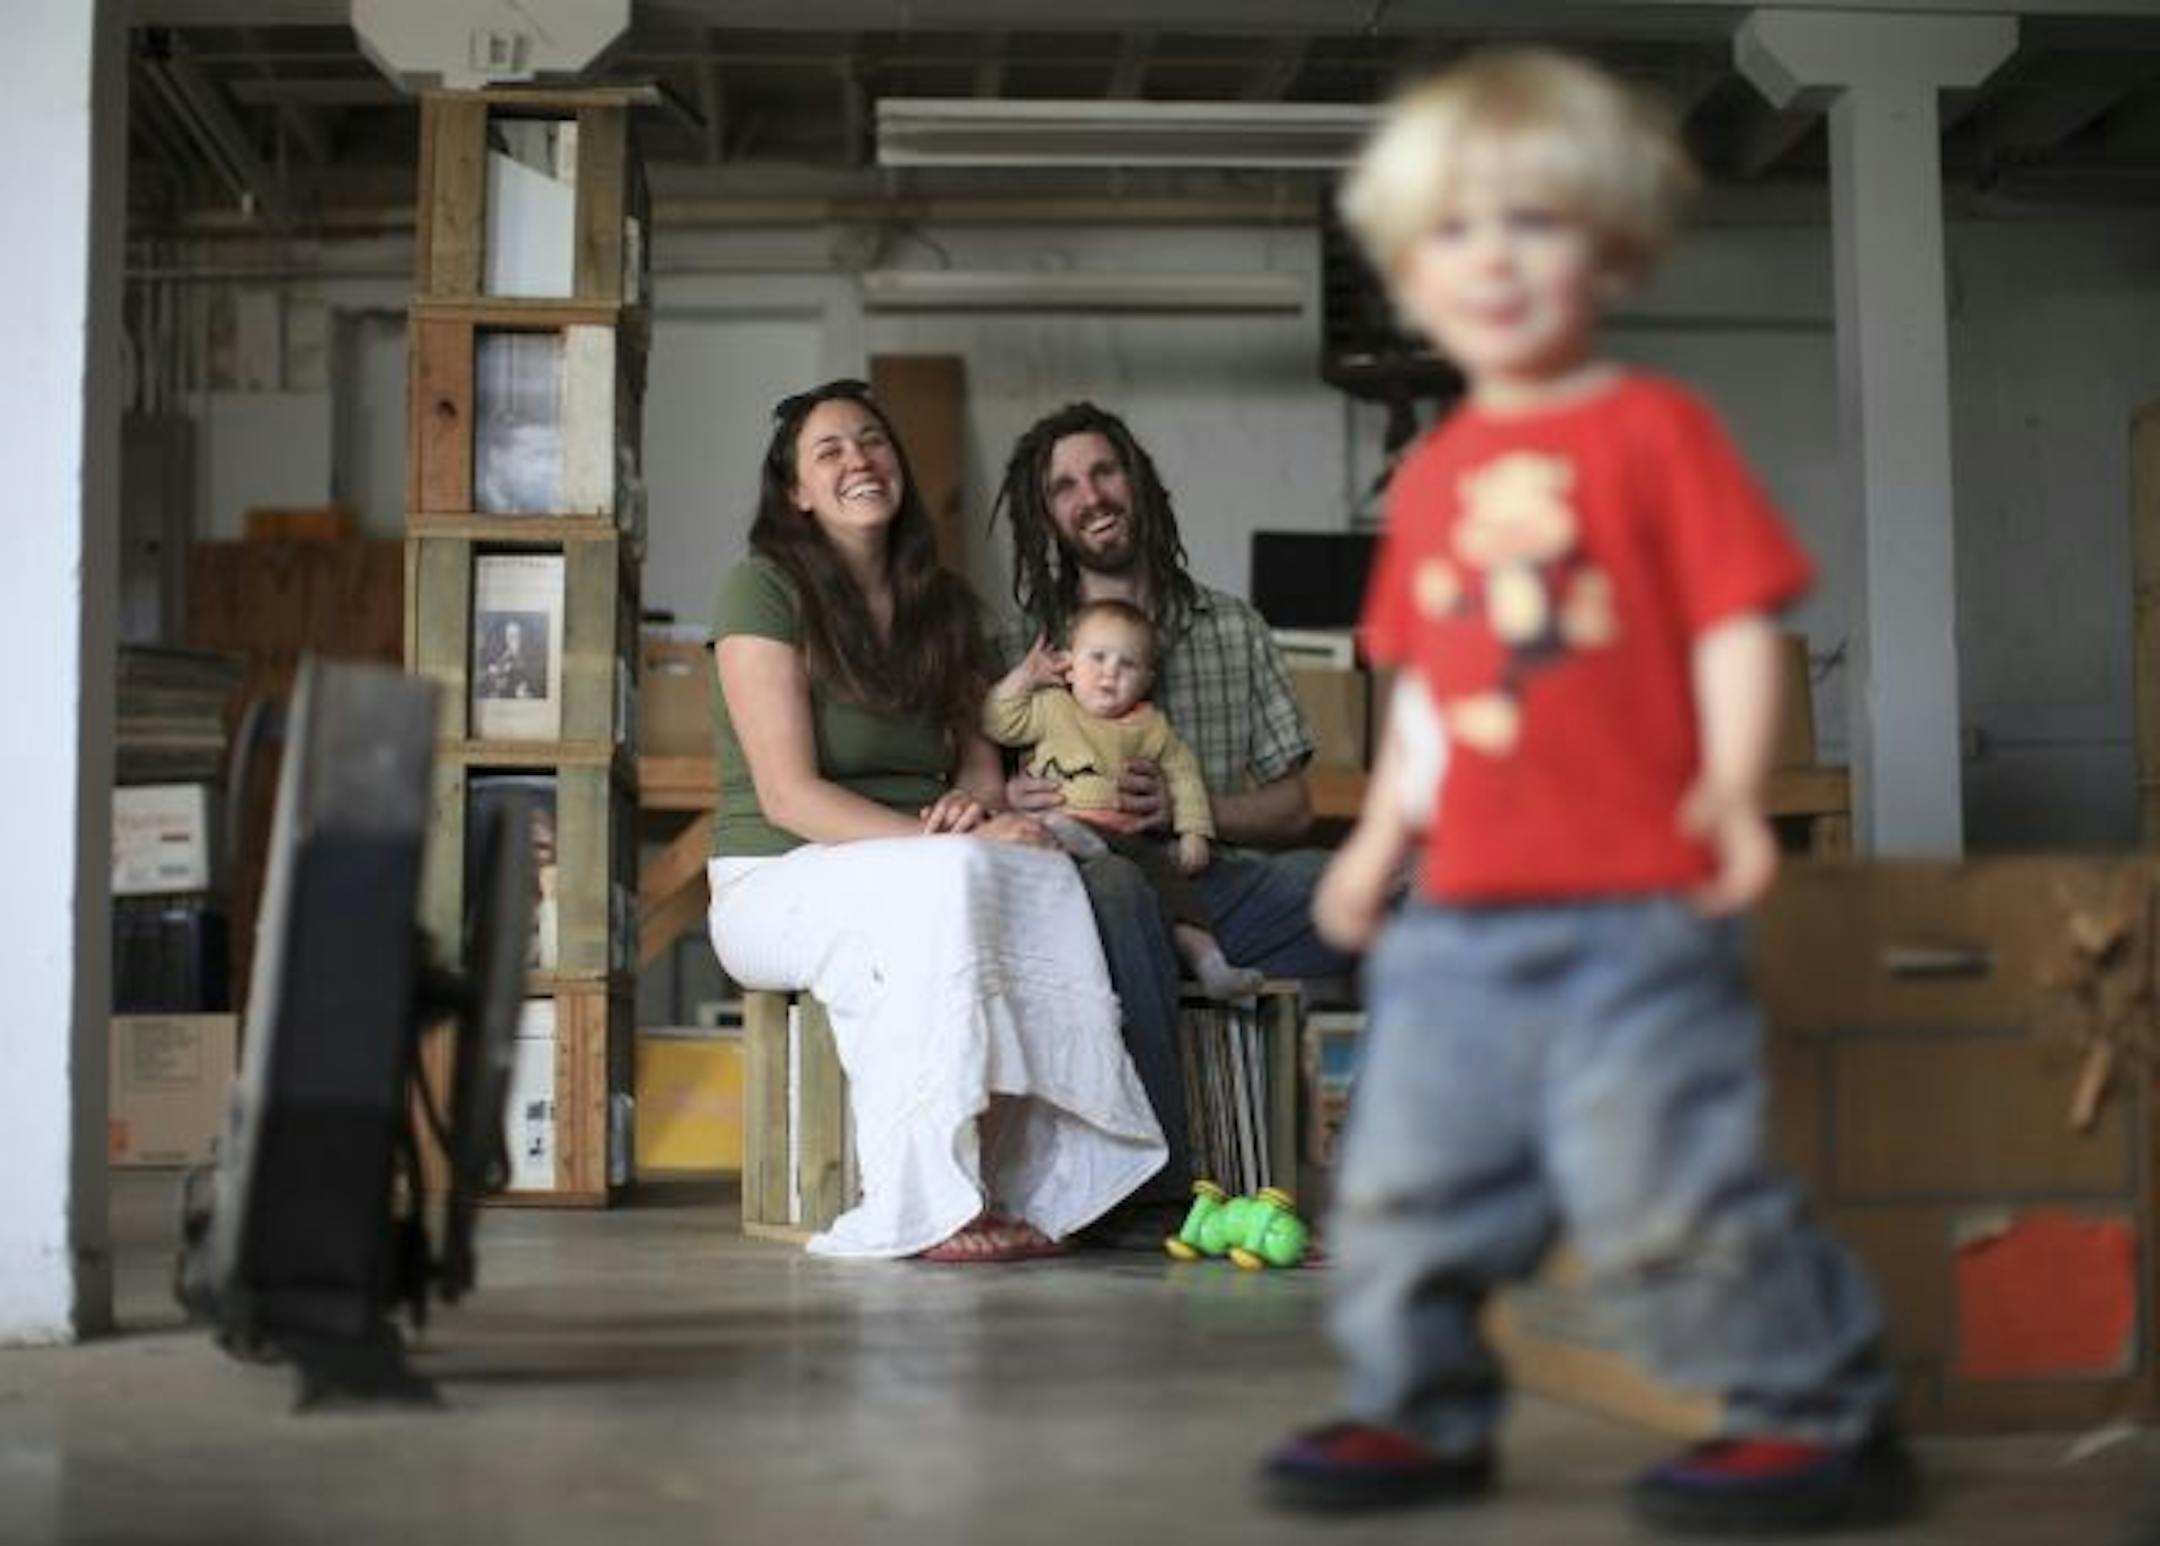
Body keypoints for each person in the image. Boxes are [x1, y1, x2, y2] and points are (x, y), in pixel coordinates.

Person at [1258, 51, 1912, 1535]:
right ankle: (1417, 1412)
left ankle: (1818, 1412)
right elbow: (1423, 693)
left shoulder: (1652, 432)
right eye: (1454, 232)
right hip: (1460, 915)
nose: (1493, 259)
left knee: (1661, 1182)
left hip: (1633, 902)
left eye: (1536, 222)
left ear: (1611, 247)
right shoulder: (1429, 477)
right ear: (1409, 276)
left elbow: (1739, 625)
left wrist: (1736, 793)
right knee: (1408, 1173)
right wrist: (1376, 845)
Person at [704, 379, 1167, 1263]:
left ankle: (1032, 1186)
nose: (858, 461)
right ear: (797, 492)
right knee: (953, 875)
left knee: (1041, 858)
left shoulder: (948, 607)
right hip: (774, 879)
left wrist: (975, 811)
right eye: (830, 451)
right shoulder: (761, 591)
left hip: (915, 863)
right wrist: (940, 838)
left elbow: (981, 775)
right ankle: (925, 1197)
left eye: (873, 441)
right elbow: (789, 796)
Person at [992, 402, 1358, 1216]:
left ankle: (1394, 1155)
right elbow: (980, 782)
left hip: (1222, 891)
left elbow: (1294, 807)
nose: (1090, 495)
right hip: (1092, 905)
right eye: (1064, 487)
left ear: (1139, 481)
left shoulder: (1233, 627)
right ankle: (1161, 1183)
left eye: (1104, 471)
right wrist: (1007, 795)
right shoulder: (1028, 648)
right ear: (1046, 516)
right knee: (1120, 894)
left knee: (1407, 884)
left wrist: (1193, 814)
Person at [984, 598, 1265, 1001]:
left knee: (1176, 892)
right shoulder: (1051, 708)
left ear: (1146, 680)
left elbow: (1184, 776)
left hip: (1129, 842)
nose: (1109, 673)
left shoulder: (1148, 726)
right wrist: (1025, 679)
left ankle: (1212, 965)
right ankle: (1081, 841)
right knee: (1053, 836)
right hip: (1054, 829)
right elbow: (996, 720)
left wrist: (1194, 833)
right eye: (1097, 657)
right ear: (1069, 663)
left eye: (1127, 664)